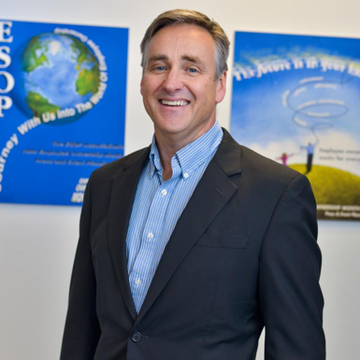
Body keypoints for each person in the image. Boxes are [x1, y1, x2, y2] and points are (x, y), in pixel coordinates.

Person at [60, 9, 325, 360]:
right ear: (142, 81)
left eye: (191, 68)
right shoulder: (105, 184)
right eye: (159, 66)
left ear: (219, 85)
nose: (171, 83)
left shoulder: (276, 194)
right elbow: (81, 331)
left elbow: (298, 349)